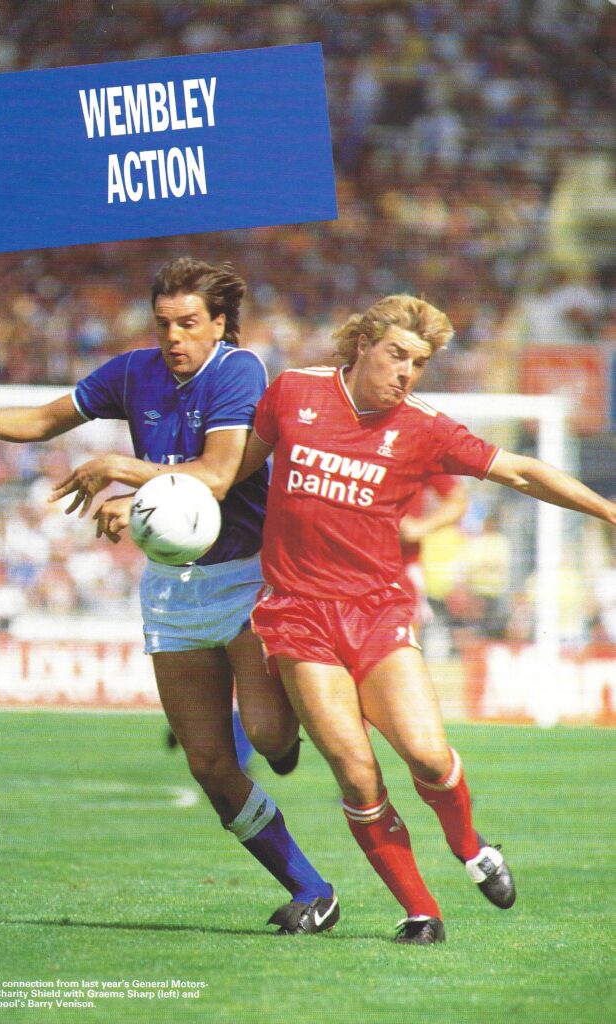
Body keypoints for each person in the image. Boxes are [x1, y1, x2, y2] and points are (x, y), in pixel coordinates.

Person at [0, 257, 338, 936]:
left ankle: (284, 733)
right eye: (163, 324)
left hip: (246, 575)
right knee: (210, 764)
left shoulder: (240, 371)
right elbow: (42, 419)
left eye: (188, 323)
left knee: (267, 736)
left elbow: (214, 474)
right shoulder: (133, 372)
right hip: (173, 588)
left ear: (219, 325)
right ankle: (311, 889)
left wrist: (127, 473)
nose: (174, 337)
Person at [235, 293, 616, 944]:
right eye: (397, 355)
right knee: (356, 771)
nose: (407, 372)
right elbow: (230, 472)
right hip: (297, 613)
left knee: (429, 756)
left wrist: (609, 512)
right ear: (363, 345)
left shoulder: (423, 427)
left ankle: (470, 846)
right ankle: (421, 911)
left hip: (377, 612)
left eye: (420, 362)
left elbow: (519, 472)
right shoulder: (292, 392)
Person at [399, 473, 469, 636]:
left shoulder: (415, 450)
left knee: (403, 647)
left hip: (401, 569)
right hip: (343, 568)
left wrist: (420, 527)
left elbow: (458, 500)